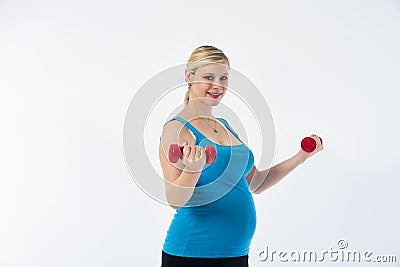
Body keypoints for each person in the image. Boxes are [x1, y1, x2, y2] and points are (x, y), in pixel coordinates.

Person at [158, 45, 323, 267]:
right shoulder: (177, 129)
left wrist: (301, 156)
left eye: (223, 78)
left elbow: (256, 183)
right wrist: (193, 169)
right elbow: (174, 200)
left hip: (236, 254)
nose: (218, 86)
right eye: (209, 77)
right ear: (189, 76)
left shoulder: (225, 125)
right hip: (193, 254)